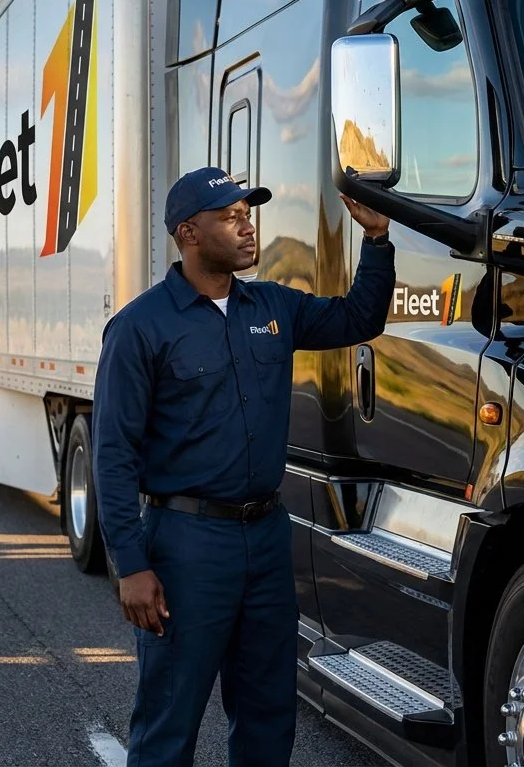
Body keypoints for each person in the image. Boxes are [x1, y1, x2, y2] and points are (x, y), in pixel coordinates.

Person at [92, 165, 395, 767]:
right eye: (230, 217)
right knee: (169, 720)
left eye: (247, 213)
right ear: (189, 233)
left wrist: (378, 238)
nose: (247, 226)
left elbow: (360, 318)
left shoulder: (272, 306)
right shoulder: (140, 328)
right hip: (186, 546)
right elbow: (113, 453)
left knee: (267, 711)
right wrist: (131, 565)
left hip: (264, 538)